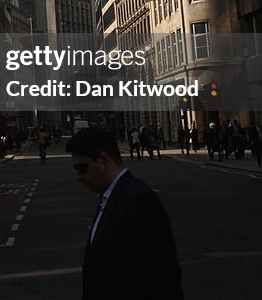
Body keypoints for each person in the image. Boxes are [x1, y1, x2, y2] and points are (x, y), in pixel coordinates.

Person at [66, 127, 183, 300]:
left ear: (104, 160)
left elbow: (163, 279)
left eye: (82, 168)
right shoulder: (110, 196)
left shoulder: (138, 201)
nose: (78, 176)